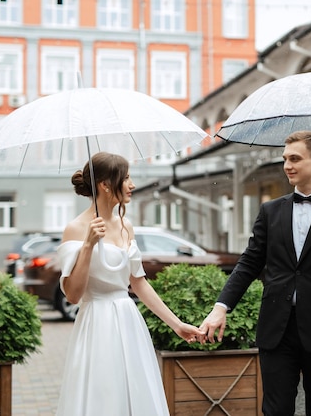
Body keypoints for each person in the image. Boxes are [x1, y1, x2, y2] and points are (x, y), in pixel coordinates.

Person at [200, 130, 311, 416]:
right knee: (275, 410)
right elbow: (249, 263)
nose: (287, 165)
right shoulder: (270, 211)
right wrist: (221, 307)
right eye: (285, 159)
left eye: (295, 159)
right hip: (277, 329)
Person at [55, 152, 203, 416]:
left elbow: (139, 283)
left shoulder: (127, 227)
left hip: (128, 320)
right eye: (126, 178)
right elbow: (73, 296)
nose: (132, 184)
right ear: (105, 184)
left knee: (137, 391)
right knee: (104, 396)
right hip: (97, 323)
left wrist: (176, 324)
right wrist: (88, 245)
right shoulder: (76, 228)